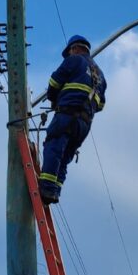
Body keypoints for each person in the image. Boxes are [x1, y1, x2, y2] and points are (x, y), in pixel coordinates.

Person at [38, 35, 107, 205]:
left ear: (74, 49)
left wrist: (54, 98)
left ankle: (46, 187)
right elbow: (101, 105)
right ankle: (55, 192)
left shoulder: (74, 60)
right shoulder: (100, 75)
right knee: (65, 156)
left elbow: (54, 82)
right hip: (84, 125)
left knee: (53, 147)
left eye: (69, 52)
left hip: (67, 115)